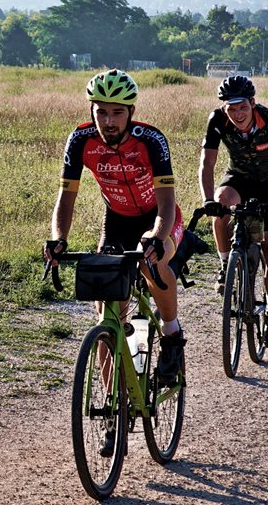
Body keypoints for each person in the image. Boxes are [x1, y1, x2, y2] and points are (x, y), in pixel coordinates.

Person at [45, 69, 188, 385]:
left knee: (154, 264)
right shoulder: (81, 140)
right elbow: (66, 198)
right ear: (91, 110)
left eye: (117, 113)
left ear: (131, 112)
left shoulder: (150, 140)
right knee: (107, 312)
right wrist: (58, 239)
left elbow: (166, 203)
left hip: (158, 218)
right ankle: (114, 415)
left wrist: (157, 236)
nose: (109, 120)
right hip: (117, 221)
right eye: (102, 112)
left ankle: (171, 334)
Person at [198, 74, 268, 348]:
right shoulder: (217, 120)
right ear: (224, 107)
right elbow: (207, 162)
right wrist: (207, 199)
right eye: (231, 108)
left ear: (252, 103)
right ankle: (226, 263)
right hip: (238, 178)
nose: (238, 114)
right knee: (221, 202)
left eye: (242, 107)